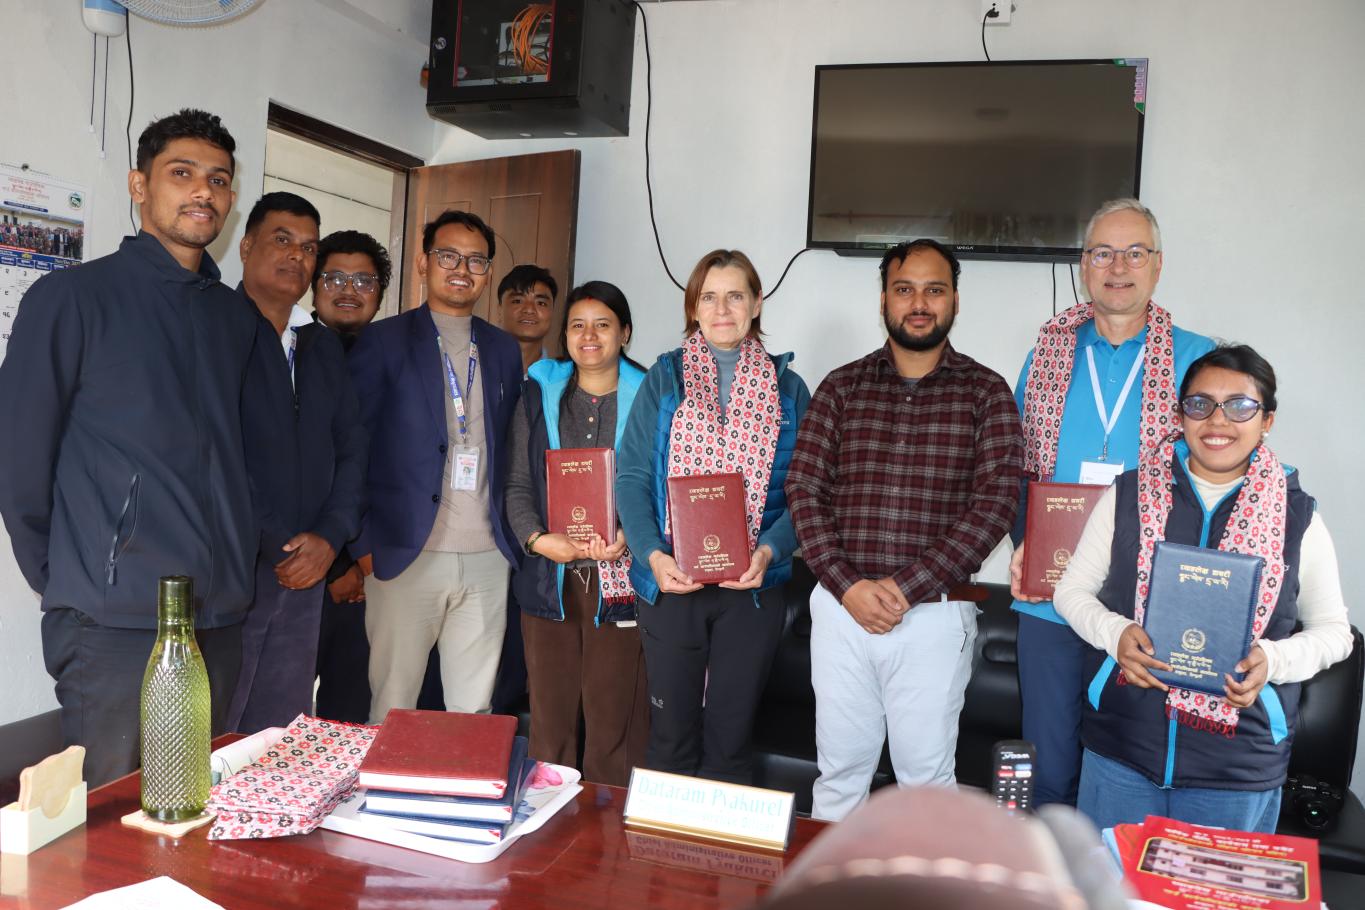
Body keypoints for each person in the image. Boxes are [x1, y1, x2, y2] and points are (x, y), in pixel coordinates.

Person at [0, 109, 257, 786]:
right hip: (113, 619)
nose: (202, 191)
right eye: (182, 173)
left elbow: (241, 457)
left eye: (218, 180)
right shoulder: (72, 298)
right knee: (112, 810)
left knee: (195, 803)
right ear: (139, 185)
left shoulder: (233, 318)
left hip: (218, 615)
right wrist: (69, 577)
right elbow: (19, 454)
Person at [1053, 345, 1352, 831]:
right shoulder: (1127, 495)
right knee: (1109, 879)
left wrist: (1273, 660)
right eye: (1200, 404)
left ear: (1267, 421)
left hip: (1235, 769)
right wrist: (1116, 634)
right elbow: (1071, 592)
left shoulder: (1297, 517)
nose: (1218, 421)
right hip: (1122, 749)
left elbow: (1335, 633)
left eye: (1240, 406)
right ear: (1180, 415)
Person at [786, 239, 1023, 822]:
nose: (919, 303)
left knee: (925, 784)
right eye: (904, 289)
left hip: (934, 617)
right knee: (839, 777)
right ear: (884, 300)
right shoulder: (841, 387)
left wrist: (905, 587)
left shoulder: (986, 392)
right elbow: (804, 490)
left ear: (955, 300)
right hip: (841, 612)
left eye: (934, 290)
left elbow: (995, 506)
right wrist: (848, 586)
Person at [1009, 198, 1215, 808]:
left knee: (1132, 774)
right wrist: (1021, 542)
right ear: (1083, 265)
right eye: (1102, 253)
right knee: (1047, 773)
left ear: (1158, 265)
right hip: (1050, 595)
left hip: (1147, 605)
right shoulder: (1047, 354)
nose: (1118, 267)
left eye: (1134, 253)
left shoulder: (1198, 359)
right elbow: (1015, 464)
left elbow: (1220, 474)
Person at [616, 249, 810, 785]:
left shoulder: (790, 389)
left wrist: (769, 550)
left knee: (731, 742)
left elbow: (805, 492)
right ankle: (663, 843)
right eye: (709, 297)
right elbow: (631, 478)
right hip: (672, 583)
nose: (722, 309)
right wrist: (652, 556)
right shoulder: (664, 377)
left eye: (735, 296)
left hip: (752, 590)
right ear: (693, 307)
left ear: (756, 303)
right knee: (670, 741)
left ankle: (722, 843)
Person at [349, 209, 523, 721]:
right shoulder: (383, 341)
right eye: (448, 256)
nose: (462, 269)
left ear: (487, 272)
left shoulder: (503, 349)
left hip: (487, 556)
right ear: (424, 263)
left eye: (476, 260)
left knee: (474, 712)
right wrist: (362, 546)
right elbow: (352, 448)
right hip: (405, 554)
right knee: (393, 707)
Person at [228, 193, 366, 733]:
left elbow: (352, 448)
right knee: (218, 735)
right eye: (281, 240)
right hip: (238, 568)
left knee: (280, 730)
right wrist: (281, 543)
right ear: (246, 246)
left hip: (308, 570)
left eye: (308, 248)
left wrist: (330, 539)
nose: (296, 256)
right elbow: (215, 453)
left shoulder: (321, 345)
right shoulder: (216, 330)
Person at [505, 281, 649, 786]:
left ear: (624, 333)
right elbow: (517, 484)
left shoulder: (653, 397)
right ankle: (547, 824)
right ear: (564, 335)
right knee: (550, 725)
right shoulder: (538, 393)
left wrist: (630, 533)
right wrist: (539, 541)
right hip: (550, 582)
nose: (589, 336)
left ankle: (608, 830)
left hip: (622, 583)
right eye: (578, 325)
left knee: (615, 726)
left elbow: (662, 483)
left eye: (602, 325)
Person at [309, 229, 391, 724]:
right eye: (335, 277)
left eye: (364, 280)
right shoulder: (291, 352)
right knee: (281, 711)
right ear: (313, 284)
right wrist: (338, 565)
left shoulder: (396, 357)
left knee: (354, 713)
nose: (348, 290)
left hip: (380, 568)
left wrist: (365, 563)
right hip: (304, 566)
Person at [498, 264, 558, 375]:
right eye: (517, 301)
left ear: (552, 312)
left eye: (541, 303)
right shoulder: (477, 366)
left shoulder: (561, 379)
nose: (529, 309)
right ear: (499, 310)